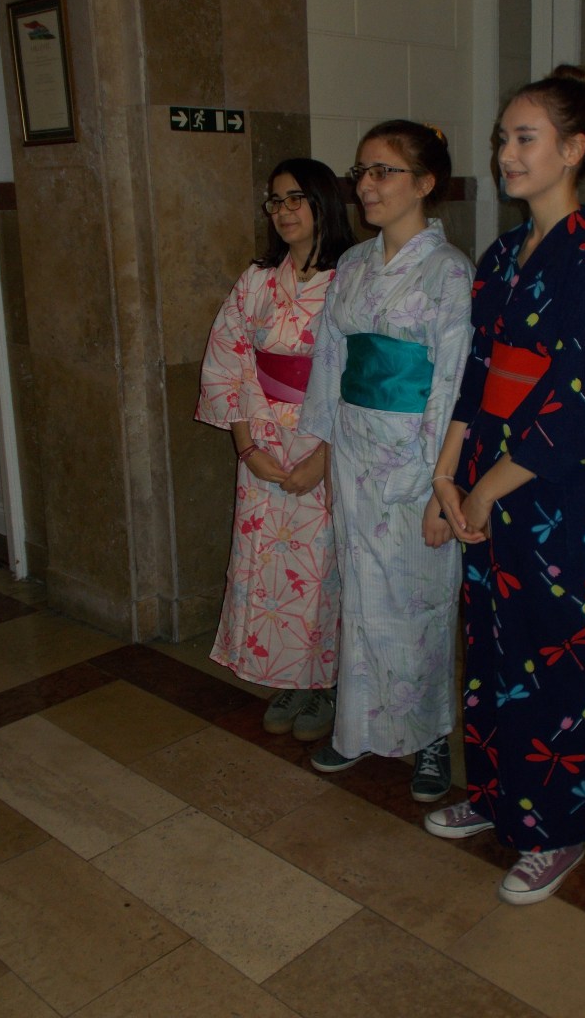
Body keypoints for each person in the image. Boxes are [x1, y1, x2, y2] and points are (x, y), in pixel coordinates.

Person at [424, 66, 585, 904]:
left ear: (573, 149)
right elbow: (477, 378)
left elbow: (584, 405)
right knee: (492, 646)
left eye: (525, 138)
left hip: (556, 493)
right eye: (502, 139)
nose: (506, 154)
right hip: (489, 470)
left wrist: (488, 490)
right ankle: (497, 795)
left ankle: (561, 829)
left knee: (557, 654)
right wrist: (448, 476)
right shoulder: (501, 256)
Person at [299, 120, 474, 802]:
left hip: (417, 456)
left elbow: (453, 382)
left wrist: (441, 486)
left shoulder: (448, 271)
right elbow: (330, 360)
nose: (366, 186)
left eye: (383, 172)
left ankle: (431, 737)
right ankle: (357, 726)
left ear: (425, 183)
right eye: (361, 172)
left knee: (419, 599)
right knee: (362, 595)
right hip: (354, 447)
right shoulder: (352, 265)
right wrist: (322, 446)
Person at [196, 158, 354, 741]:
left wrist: (324, 458)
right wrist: (247, 447)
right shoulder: (257, 280)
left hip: (328, 439)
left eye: (296, 199)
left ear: (323, 202)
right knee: (271, 569)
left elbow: (362, 374)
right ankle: (290, 676)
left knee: (324, 568)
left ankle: (329, 683)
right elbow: (229, 361)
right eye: (275, 201)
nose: (284, 212)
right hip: (263, 436)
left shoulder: (352, 278)